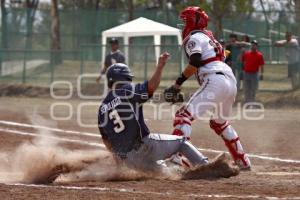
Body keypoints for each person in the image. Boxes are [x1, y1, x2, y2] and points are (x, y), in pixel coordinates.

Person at [164, 6, 251, 170]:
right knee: (219, 122)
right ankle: (243, 161)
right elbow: (222, 55)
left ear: (192, 21)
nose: (184, 25)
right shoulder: (210, 38)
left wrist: (177, 84)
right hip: (230, 80)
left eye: (185, 21)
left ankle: (175, 159)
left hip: (215, 79)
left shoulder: (194, 37)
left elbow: (196, 61)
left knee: (183, 116)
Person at [98, 53, 209, 172]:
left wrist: (120, 163)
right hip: (146, 147)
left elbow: (107, 142)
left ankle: (169, 169)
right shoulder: (126, 90)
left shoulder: (102, 108)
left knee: (168, 173)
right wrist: (160, 66)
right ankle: (207, 167)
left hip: (130, 161)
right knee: (181, 142)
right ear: (123, 78)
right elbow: (151, 87)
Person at [241, 40, 265, 105]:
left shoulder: (259, 55)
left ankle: (252, 102)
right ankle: (247, 102)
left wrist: (262, 74)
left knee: (253, 89)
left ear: (256, 46)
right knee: (246, 88)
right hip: (246, 73)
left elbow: (262, 65)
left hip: (254, 73)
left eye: (255, 45)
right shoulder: (246, 54)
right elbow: (242, 62)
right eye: (252, 44)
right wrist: (242, 53)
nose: (253, 46)